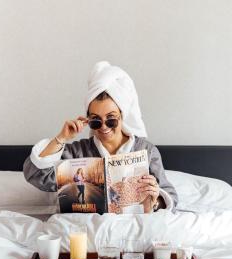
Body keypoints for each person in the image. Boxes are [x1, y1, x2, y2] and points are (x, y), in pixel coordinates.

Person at [23, 61, 178, 212]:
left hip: (132, 226)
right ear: (88, 119)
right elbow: (35, 175)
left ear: (122, 116)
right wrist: (61, 138)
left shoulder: (147, 151)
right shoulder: (76, 152)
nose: (104, 127)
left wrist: (155, 200)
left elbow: (170, 196)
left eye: (111, 119)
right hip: (87, 230)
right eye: (96, 121)